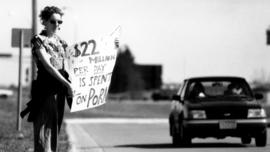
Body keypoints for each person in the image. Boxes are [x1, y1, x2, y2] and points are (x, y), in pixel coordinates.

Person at [21, 6, 73, 152]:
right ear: (44, 21)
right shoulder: (38, 41)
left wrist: (111, 47)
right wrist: (67, 84)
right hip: (45, 92)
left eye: (59, 22)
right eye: (53, 21)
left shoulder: (62, 43)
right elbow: (49, 67)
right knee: (43, 138)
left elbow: (73, 63)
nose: (57, 24)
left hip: (59, 94)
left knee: (54, 134)